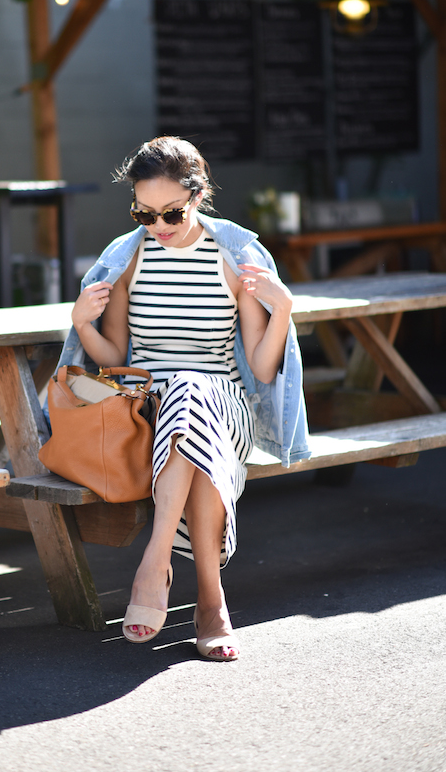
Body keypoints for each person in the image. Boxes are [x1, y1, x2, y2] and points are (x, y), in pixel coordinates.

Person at [64, 136, 310, 661]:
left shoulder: (232, 262)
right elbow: (110, 360)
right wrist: (81, 323)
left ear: (199, 197)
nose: (157, 226)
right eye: (143, 213)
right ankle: (209, 601)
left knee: (194, 393)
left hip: (223, 404)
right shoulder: (127, 259)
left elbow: (262, 368)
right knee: (184, 406)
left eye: (171, 213)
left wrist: (283, 309)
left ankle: (155, 562)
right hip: (147, 408)